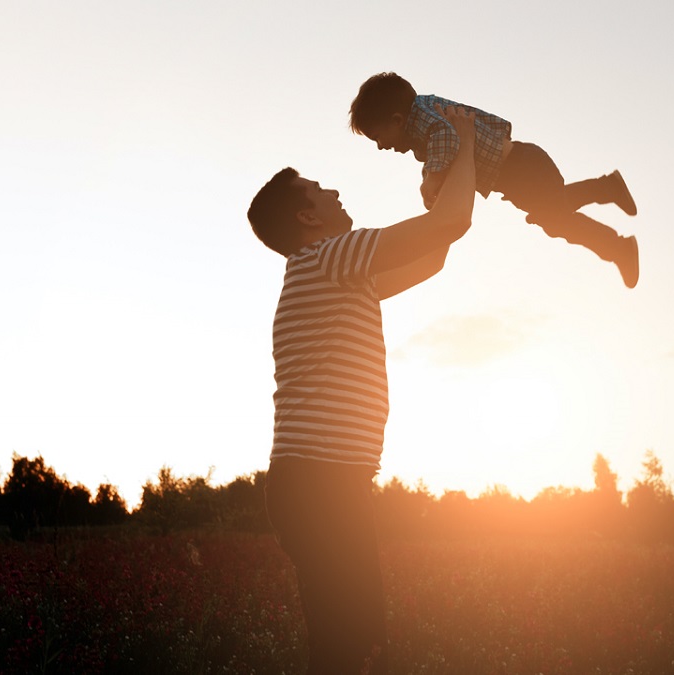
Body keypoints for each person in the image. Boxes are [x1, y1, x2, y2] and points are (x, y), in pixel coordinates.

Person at [247, 105, 479, 674]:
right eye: (320, 189)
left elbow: (435, 253)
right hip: (317, 482)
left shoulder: (341, 272)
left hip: (330, 481)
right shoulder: (328, 258)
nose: (333, 191)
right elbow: (452, 224)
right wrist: (468, 146)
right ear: (307, 216)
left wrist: (441, 185)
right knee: (346, 646)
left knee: (359, 642)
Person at [349, 71, 641, 288]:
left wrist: (431, 181)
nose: (380, 146)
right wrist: (430, 177)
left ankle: (618, 246)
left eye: (377, 137)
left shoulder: (425, 120)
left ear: (397, 120)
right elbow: (448, 141)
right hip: (520, 170)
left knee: (555, 220)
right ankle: (607, 190)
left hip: (522, 168)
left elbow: (447, 137)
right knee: (554, 212)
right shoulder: (426, 116)